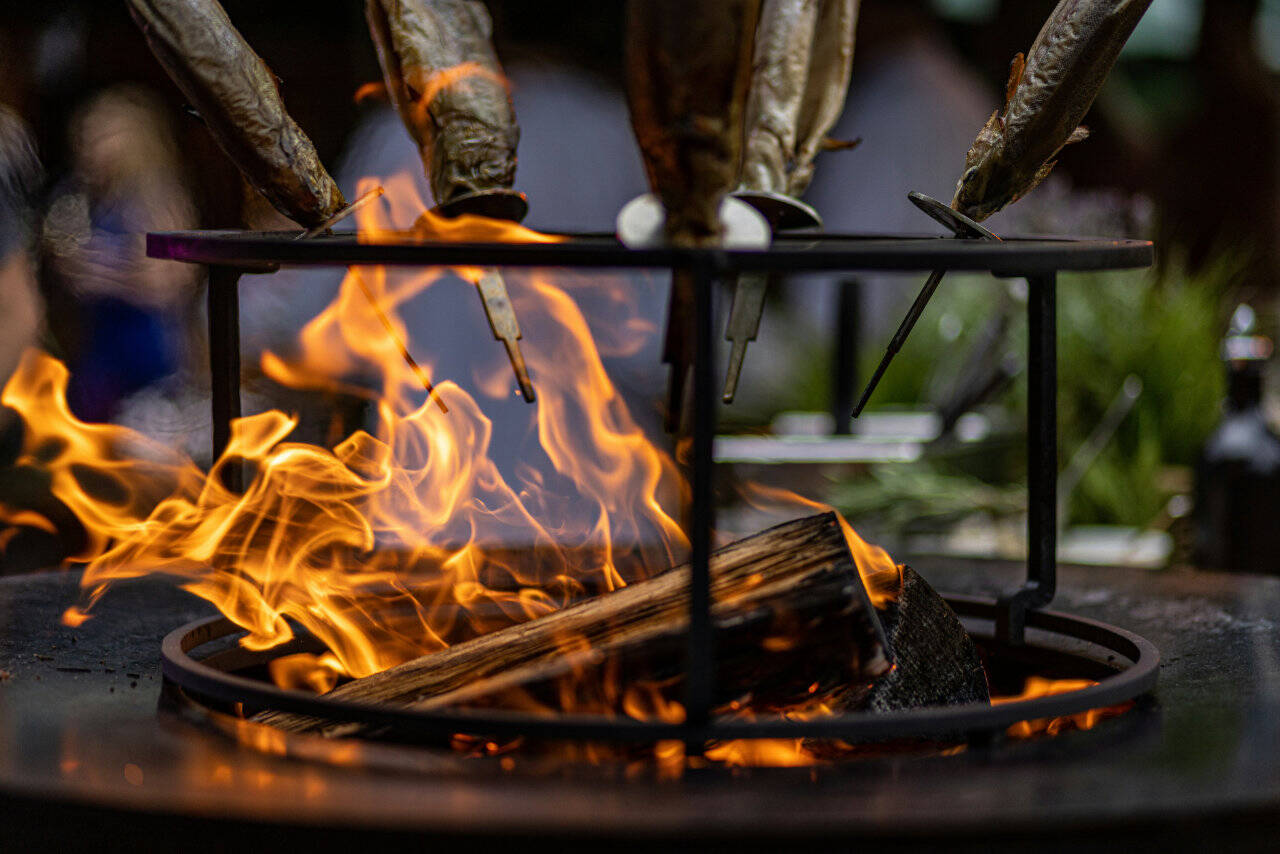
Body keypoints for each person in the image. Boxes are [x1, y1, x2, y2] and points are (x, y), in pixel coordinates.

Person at [42, 85, 197, 423]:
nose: (91, 146)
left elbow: (165, 284)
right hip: (99, 349)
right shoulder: (85, 195)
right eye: (87, 135)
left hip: (147, 350)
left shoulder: (155, 197)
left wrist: (97, 272)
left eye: (104, 135)